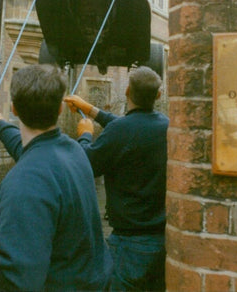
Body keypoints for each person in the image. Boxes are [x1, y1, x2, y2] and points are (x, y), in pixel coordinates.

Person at [0, 64, 112, 291]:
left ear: (13, 108)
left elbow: (19, 282)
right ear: (60, 110)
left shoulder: (23, 183)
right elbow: (36, 150)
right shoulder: (75, 152)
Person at [64, 65, 168, 291]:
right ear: (158, 95)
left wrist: (85, 135)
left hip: (129, 244)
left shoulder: (121, 130)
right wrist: (90, 109)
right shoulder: (167, 126)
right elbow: (129, 126)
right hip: (163, 241)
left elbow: (86, 165)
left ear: (127, 91)